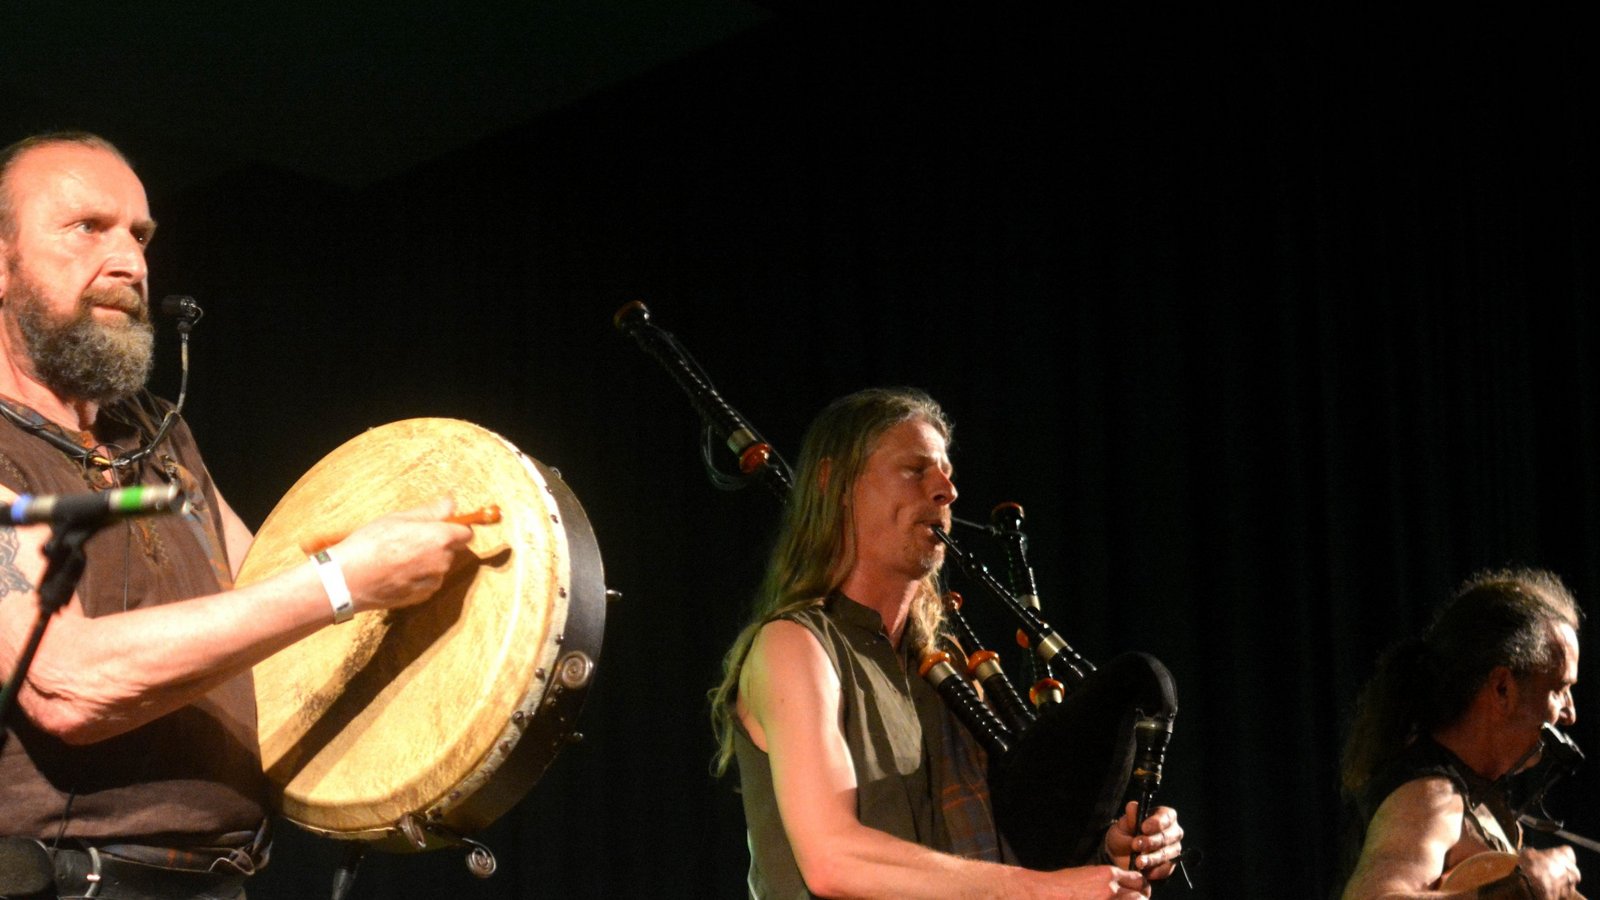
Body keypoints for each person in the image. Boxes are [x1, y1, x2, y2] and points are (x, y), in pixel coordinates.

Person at [0, 131, 475, 898]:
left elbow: (270, 596)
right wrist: (345, 579)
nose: (131, 263)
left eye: (141, 235)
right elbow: (63, 683)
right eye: (89, 227)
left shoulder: (158, 434)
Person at [708, 387, 1184, 899]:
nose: (946, 491)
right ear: (834, 484)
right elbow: (834, 858)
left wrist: (1105, 855)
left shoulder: (948, 673)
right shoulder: (795, 647)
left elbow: (990, 860)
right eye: (915, 470)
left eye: (947, 474)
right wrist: (1042, 892)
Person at [1340, 568, 1584, 899]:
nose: (1570, 714)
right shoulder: (1429, 797)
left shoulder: (1474, 798)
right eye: (1559, 688)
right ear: (1502, 689)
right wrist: (1522, 888)